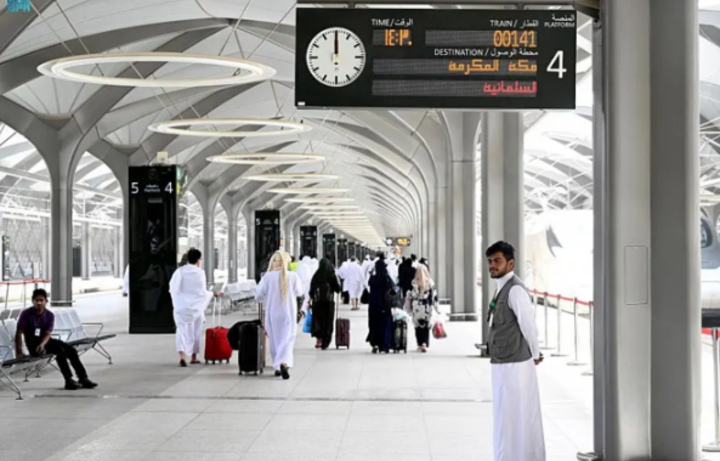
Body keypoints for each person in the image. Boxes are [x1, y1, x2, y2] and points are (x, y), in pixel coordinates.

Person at [485, 241, 545, 461]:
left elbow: (528, 325)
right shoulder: (502, 286)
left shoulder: (515, 290)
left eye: (497, 261)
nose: (492, 265)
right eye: (490, 261)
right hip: (503, 362)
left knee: (515, 415)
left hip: (515, 365)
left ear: (510, 263)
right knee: (506, 414)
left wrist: (535, 354)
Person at [14, 289, 98, 390]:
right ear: (33, 301)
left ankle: (83, 378)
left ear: (46, 301)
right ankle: (68, 379)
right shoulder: (26, 314)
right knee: (59, 351)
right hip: (34, 345)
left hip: (45, 341)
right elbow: (19, 333)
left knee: (71, 351)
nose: (39, 303)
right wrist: (19, 351)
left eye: (41, 300)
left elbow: (47, 333)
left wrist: (43, 344)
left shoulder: (49, 315)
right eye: (36, 300)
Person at [255, 251, 305, 379]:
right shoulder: (293, 276)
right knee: (287, 339)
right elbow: (300, 293)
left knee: (275, 340)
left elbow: (258, 295)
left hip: (273, 314)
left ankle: (278, 366)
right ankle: (283, 363)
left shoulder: (268, 277)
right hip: (289, 313)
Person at [169, 248, 221, 367]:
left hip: (181, 307)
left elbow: (172, 288)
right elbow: (201, 293)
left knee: (181, 330)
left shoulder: (179, 272)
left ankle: (182, 357)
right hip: (196, 308)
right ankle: (194, 357)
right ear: (198, 260)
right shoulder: (200, 273)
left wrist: (180, 300)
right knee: (196, 332)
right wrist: (212, 294)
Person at [405, 264, 439, 353]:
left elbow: (411, 294)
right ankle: (424, 343)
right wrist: (436, 307)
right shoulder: (430, 282)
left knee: (417, 326)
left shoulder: (414, 282)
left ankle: (419, 344)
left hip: (416, 307)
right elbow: (434, 296)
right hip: (427, 307)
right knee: (426, 326)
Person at [309, 258, 341, 349]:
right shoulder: (331, 275)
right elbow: (338, 289)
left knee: (318, 321)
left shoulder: (316, 275)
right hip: (329, 303)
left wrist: (310, 299)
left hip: (317, 303)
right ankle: (326, 342)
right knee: (328, 322)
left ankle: (319, 338)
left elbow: (311, 290)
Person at [367, 258, 396, 354]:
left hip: (373, 306)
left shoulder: (373, 279)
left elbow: (369, 285)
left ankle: (375, 344)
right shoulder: (386, 278)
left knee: (374, 325)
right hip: (385, 306)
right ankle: (384, 346)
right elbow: (394, 289)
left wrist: (372, 273)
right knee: (385, 325)